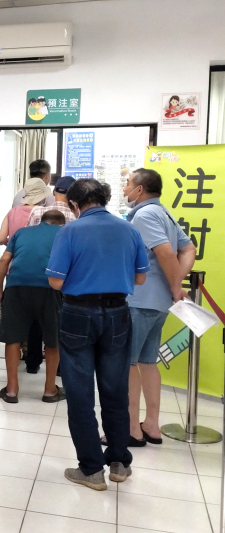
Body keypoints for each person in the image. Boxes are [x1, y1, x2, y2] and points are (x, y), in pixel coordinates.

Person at [46, 179, 149, 491]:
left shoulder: (69, 231)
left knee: (79, 393)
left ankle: (91, 469)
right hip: (118, 313)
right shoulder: (129, 230)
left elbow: (55, 282)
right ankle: (119, 462)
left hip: (78, 314)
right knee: (116, 390)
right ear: (105, 199)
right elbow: (140, 279)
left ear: (75, 205)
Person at [122, 169, 196, 446]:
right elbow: (188, 250)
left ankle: (132, 428)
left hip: (140, 299)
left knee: (128, 363)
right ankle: (151, 425)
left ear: (139, 189)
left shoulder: (144, 215)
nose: (125, 188)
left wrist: (176, 286)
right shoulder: (164, 213)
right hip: (158, 302)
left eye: (127, 183)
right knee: (148, 362)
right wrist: (173, 285)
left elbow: (165, 252)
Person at [0, 210, 67, 404]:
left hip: (16, 287)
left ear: (41, 221)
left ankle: (11, 390)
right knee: (52, 339)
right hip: (49, 288)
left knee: (13, 338)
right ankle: (50, 390)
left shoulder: (21, 233)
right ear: (61, 223)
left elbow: (4, 260)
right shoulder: (64, 233)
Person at [23, 175, 77, 374]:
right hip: (62, 277)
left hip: (35, 273)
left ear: (54, 192)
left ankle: (32, 362)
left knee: (35, 321)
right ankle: (60, 367)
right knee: (59, 322)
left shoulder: (38, 211)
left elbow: (29, 238)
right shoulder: (76, 218)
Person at [0, 177, 48, 245]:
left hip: (13, 251)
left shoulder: (13, 211)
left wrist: (11, 244)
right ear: (42, 197)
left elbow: (0, 239)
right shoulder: (43, 213)